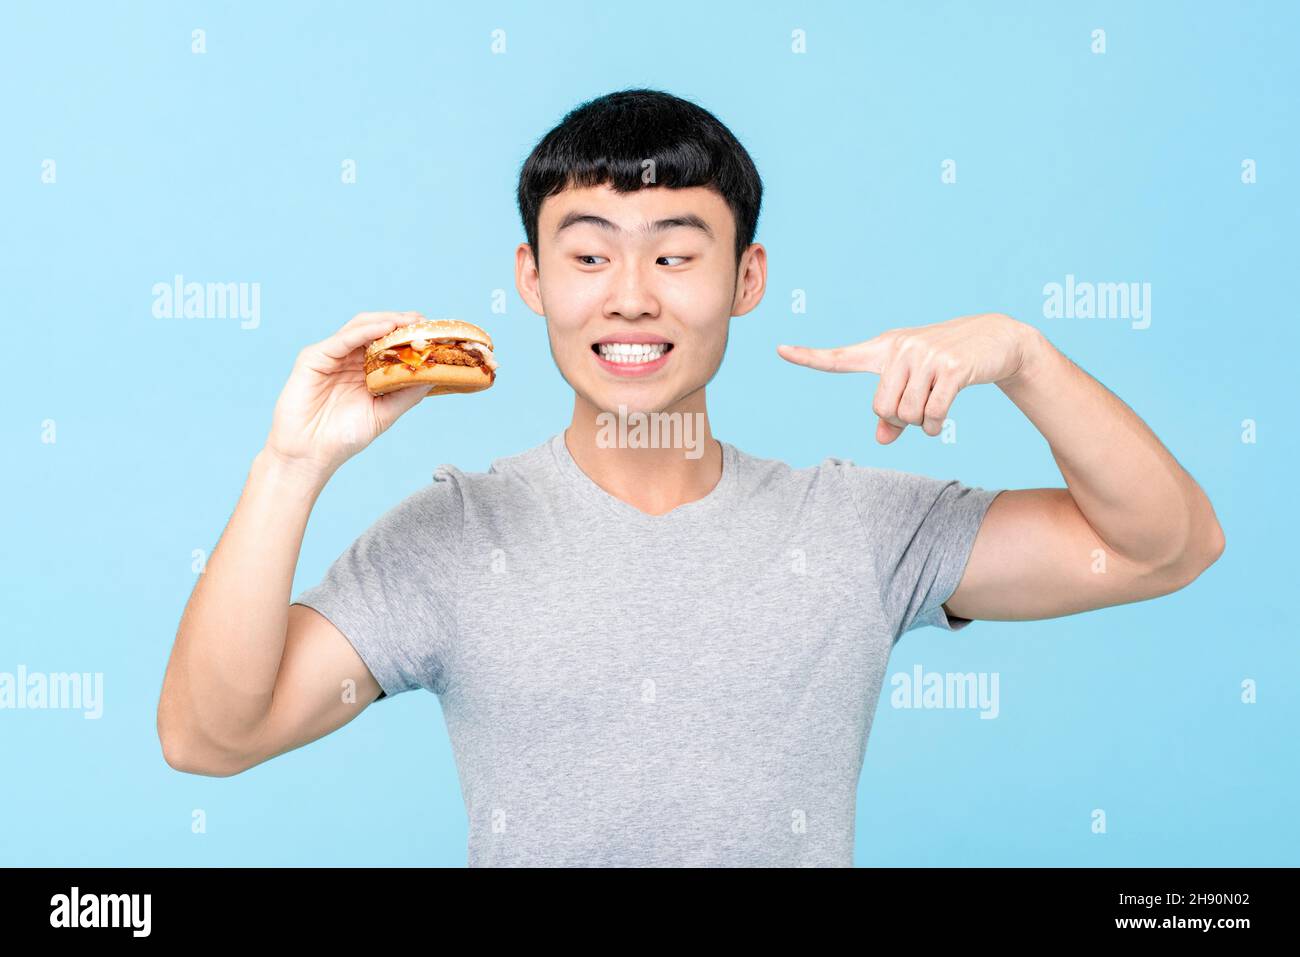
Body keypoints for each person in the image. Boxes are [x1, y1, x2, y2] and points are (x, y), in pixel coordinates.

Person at [156, 88, 1224, 867]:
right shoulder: (452, 536)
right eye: (587, 255)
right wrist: (293, 463)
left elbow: (1162, 545)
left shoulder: (854, 527)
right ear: (530, 279)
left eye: (675, 254)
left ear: (745, 278)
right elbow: (211, 736)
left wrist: (1024, 357)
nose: (630, 297)